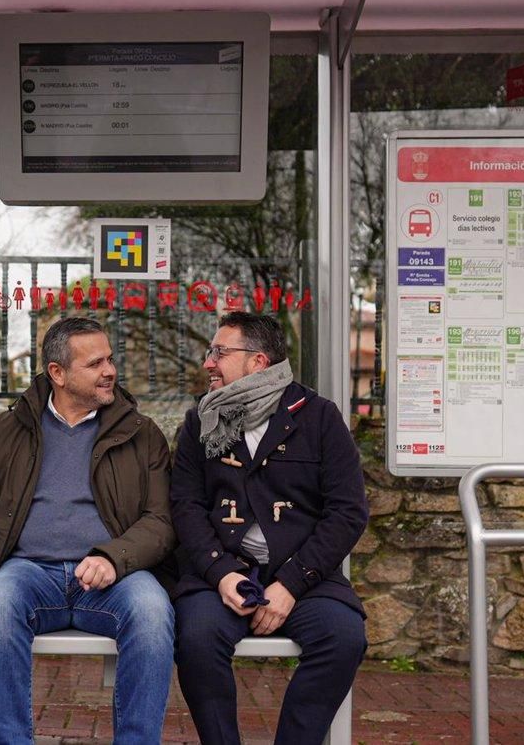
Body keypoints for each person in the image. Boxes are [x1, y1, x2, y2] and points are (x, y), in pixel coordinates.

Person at [0, 316, 176, 744]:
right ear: (57, 374)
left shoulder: (141, 434)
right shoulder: (5, 434)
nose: (110, 371)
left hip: (111, 579)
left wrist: (114, 558)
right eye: (95, 363)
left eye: (110, 359)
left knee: (153, 611)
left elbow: (160, 521)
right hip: (29, 574)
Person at [170, 311, 370, 744]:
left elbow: (348, 512)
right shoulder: (200, 422)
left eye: (220, 352)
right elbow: (185, 507)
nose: (209, 362)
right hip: (219, 574)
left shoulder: (319, 417)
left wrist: (291, 584)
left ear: (258, 361)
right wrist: (221, 573)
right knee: (197, 640)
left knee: (343, 637)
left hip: (305, 579)